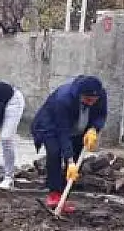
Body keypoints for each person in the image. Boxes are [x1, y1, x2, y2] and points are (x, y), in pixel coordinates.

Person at [30, 76, 107, 214]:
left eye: (93, 101)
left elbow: (101, 114)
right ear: (80, 95)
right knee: (54, 153)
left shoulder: (100, 95)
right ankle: (54, 193)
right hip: (52, 126)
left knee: (76, 161)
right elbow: (63, 131)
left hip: (78, 128)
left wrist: (94, 128)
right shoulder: (63, 99)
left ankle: (64, 196)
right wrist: (69, 160)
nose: (90, 103)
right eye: (87, 100)